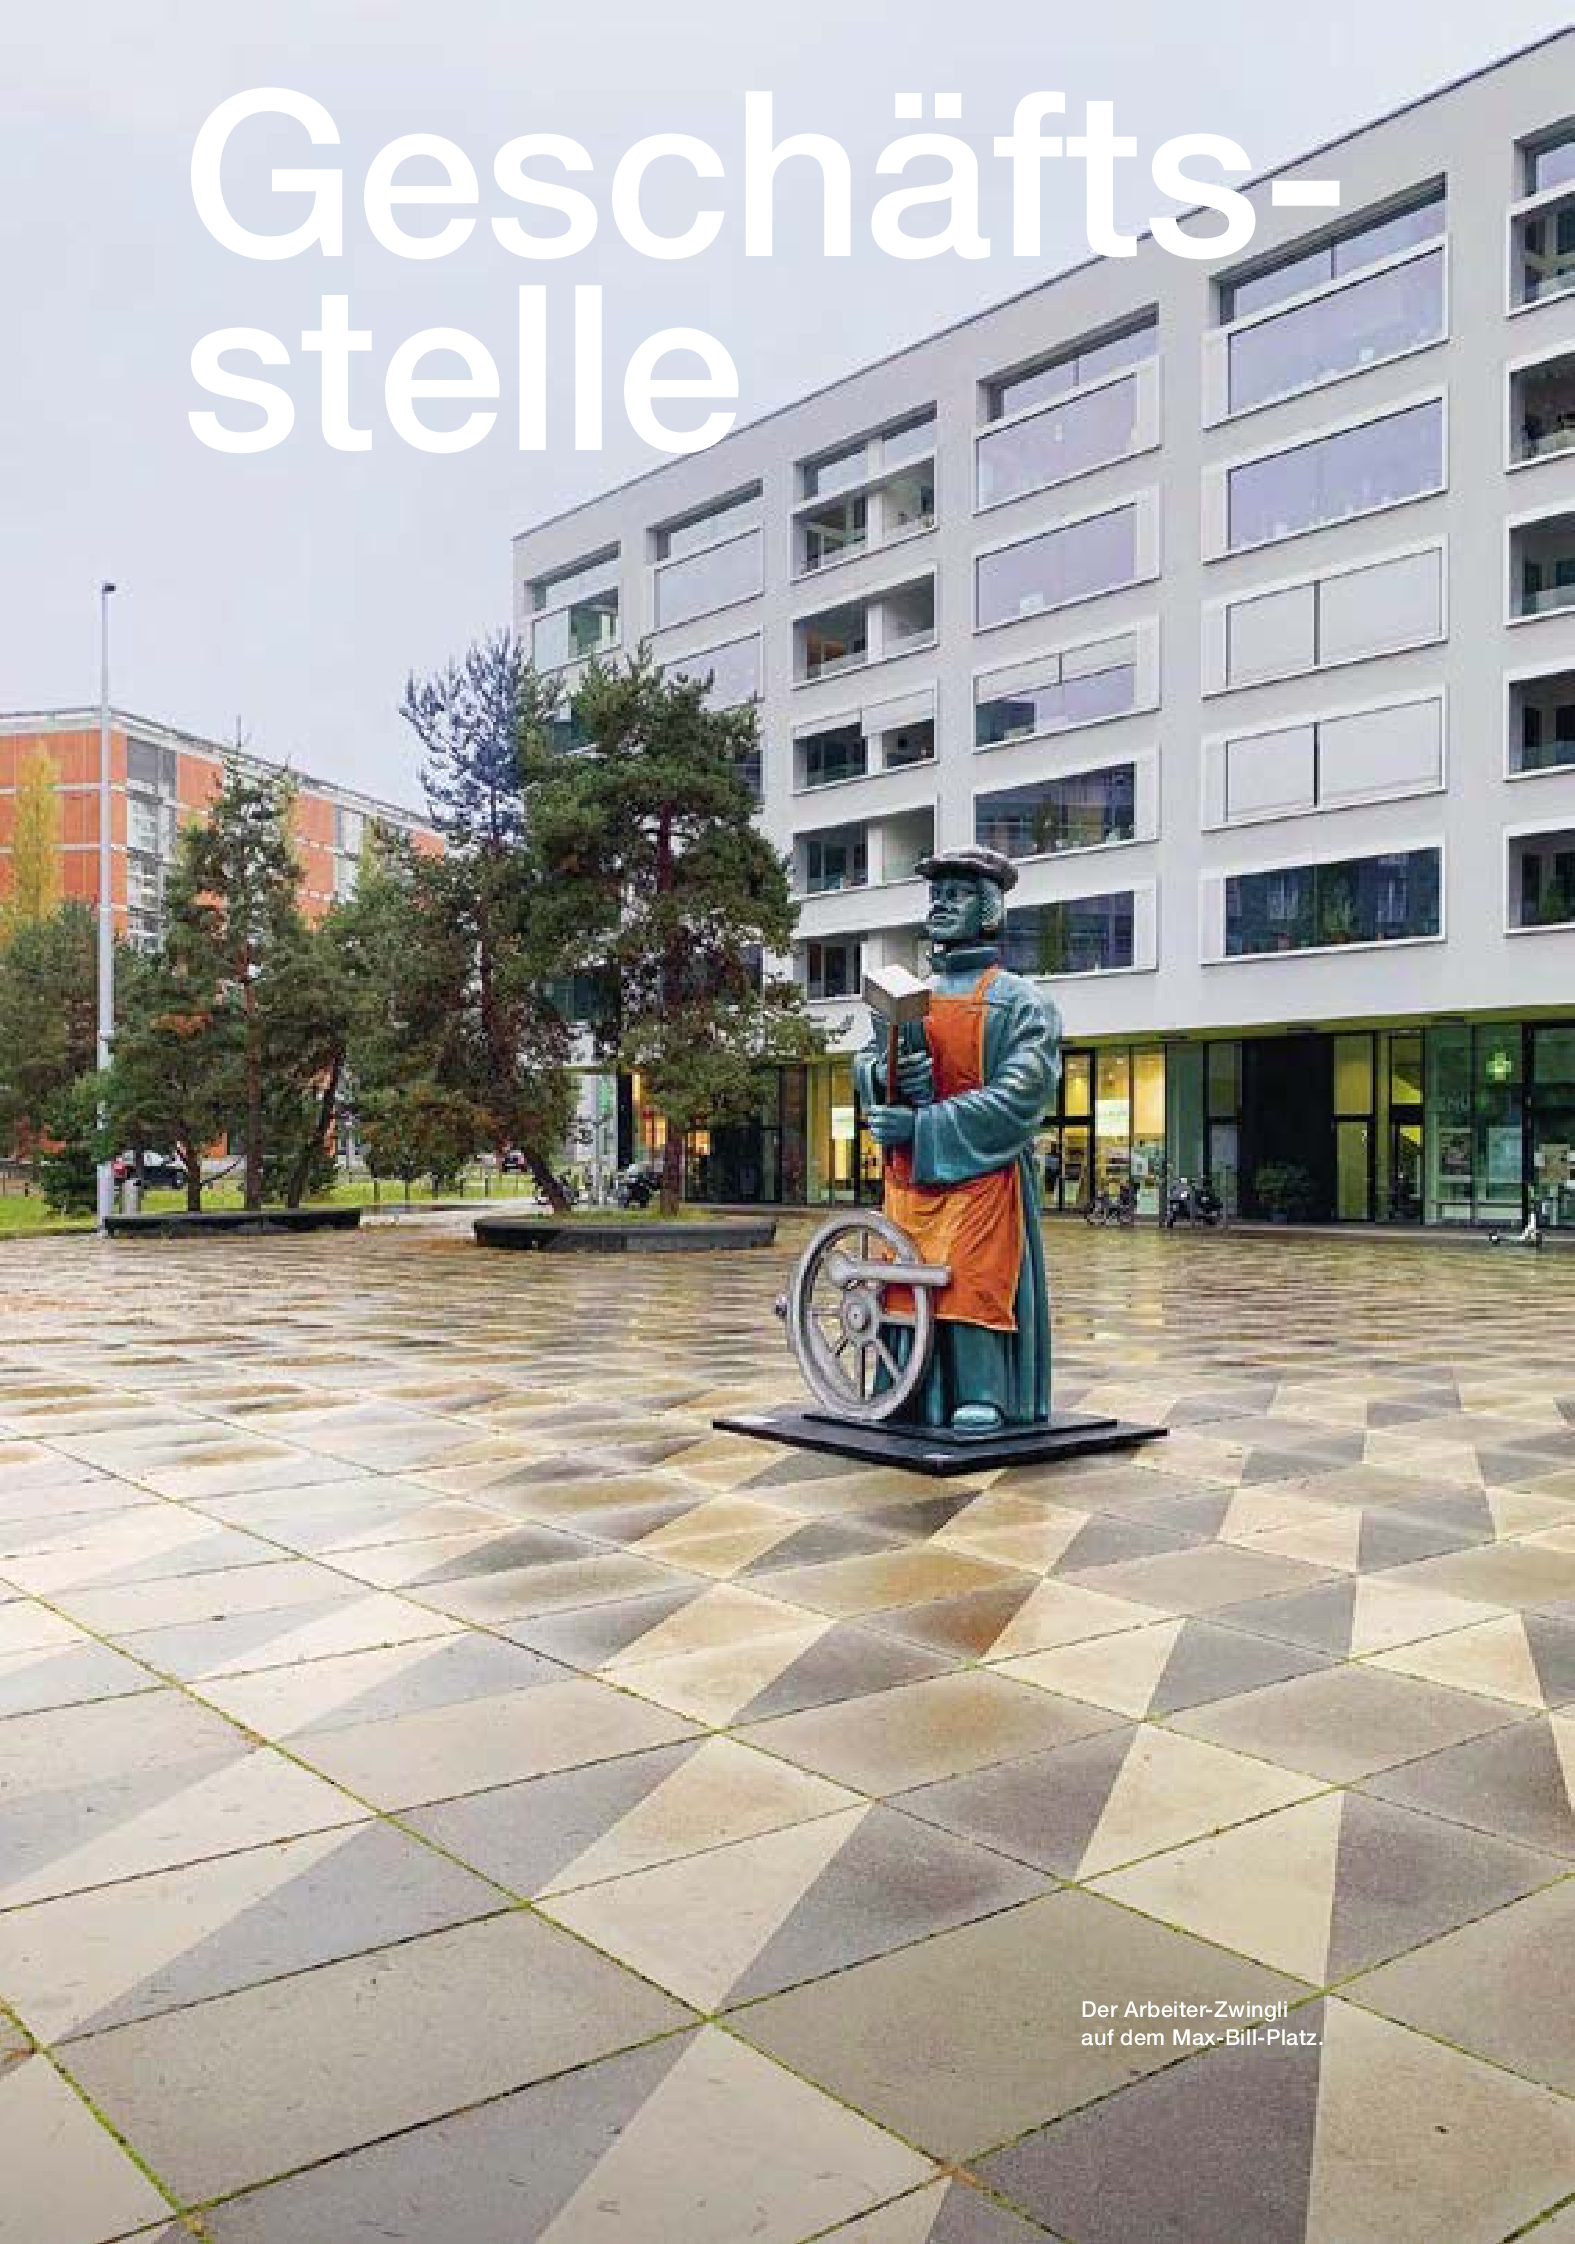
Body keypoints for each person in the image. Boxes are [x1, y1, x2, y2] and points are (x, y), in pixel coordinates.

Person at [855, 847, 1061, 1434]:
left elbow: (1021, 1097)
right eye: (936, 893)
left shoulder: (1021, 1003)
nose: (941, 904)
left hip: (982, 1178)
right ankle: (904, 1385)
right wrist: (884, 1075)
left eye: (958, 893)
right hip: (911, 1180)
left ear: (990, 909)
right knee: (902, 1280)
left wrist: (923, 1126)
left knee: (972, 1277)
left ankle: (982, 1392)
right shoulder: (908, 998)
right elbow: (866, 1063)